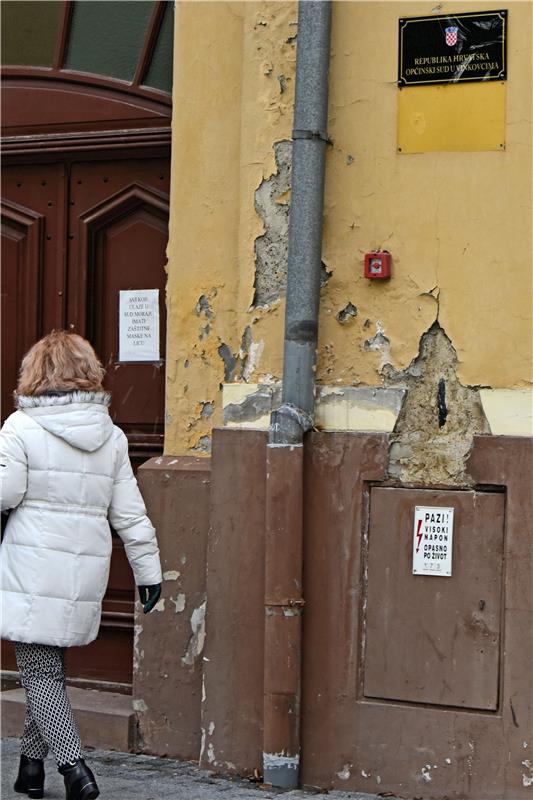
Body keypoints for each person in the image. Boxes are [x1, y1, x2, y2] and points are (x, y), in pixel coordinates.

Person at [0, 331, 163, 800]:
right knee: (48, 666)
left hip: (33, 564)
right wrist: (148, 572)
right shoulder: (110, 436)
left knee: (38, 671)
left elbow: (7, 493)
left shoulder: (20, 427)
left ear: (34, 374)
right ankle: (30, 768)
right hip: (85, 567)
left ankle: (75, 769)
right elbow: (129, 511)